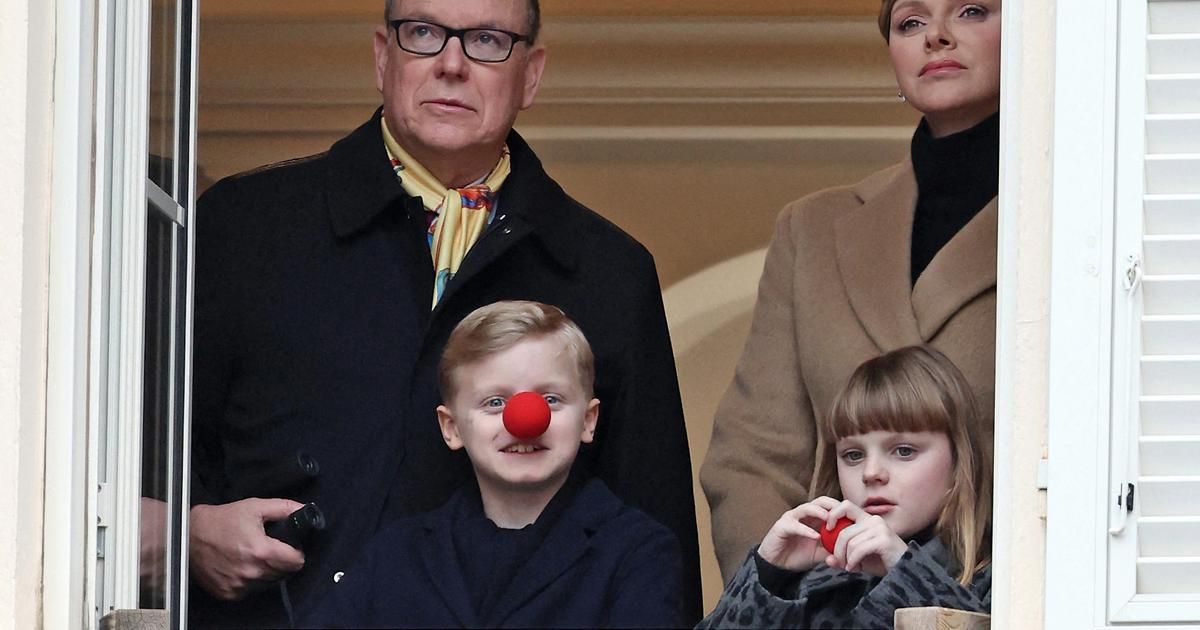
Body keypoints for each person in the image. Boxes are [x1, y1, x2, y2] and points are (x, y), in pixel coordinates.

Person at [189, 0, 700, 626]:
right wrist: (187, 532)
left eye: (487, 40)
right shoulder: (246, 226)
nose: (452, 64)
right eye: (424, 33)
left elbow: (654, 524)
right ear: (383, 56)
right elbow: (135, 445)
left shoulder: (609, 272)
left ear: (531, 74)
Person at [701, 0, 1001, 580]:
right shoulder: (812, 228)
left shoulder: (1078, 217)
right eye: (910, 22)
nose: (936, 36)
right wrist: (787, 591)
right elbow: (753, 455)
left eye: (970, 11)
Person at [303, 301, 683, 628]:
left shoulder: (636, 553)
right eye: (495, 403)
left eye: (550, 399)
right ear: (451, 428)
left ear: (588, 420)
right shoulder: (396, 554)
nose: (525, 420)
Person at [699, 345, 992, 628]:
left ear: (959, 462)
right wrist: (770, 575)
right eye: (853, 455)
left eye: (904, 451)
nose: (871, 472)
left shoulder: (1003, 577)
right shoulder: (815, 584)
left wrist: (905, 571)